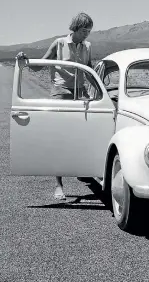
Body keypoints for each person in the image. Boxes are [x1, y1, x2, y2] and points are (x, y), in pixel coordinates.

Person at [15, 12, 94, 200]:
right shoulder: (59, 43)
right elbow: (40, 65)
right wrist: (24, 60)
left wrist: (99, 90)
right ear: (75, 28)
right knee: (59, 137)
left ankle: (82, 168)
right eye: (84, 30)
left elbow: (89, 70)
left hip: (80, 93)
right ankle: (58, 185)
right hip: (60, 92)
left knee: (82, 133)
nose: (86, 35)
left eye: (89, 31)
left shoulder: (88, 46)